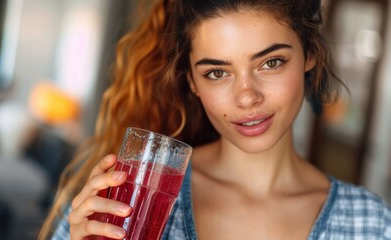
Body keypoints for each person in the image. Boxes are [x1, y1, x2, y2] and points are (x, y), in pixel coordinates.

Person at [39, 0, 391, 239]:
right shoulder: (125, 198)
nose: (247, 96)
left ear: (309, 55)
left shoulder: (370, 224)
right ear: (192, 81)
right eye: (217, 73)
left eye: (271, 63)